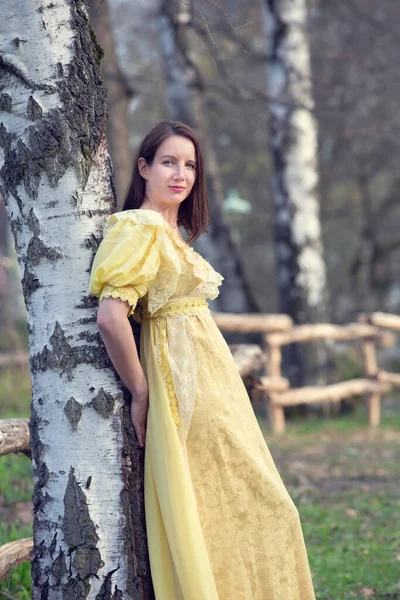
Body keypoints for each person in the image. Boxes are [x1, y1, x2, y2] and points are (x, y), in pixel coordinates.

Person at [88, 120, 316, 600]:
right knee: (258, 506)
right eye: (168, 162)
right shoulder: (139, 227)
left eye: (190, 165)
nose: (181, 174)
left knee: (234, 505)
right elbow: (111, 318)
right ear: (143, 167)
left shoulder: (172, 232)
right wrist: (141, 391)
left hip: (214, 385)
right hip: (184, 388)